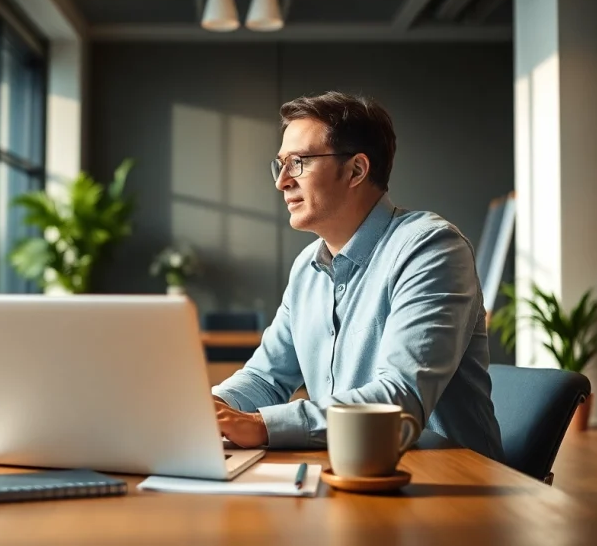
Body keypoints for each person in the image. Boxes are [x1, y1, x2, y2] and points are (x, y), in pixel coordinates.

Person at [211, 91, 504, 461]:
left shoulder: (432, 248)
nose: (282, 181)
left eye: (298, 162)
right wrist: (207, 408)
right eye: (280, 164)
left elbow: (399, 400)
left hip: (445, 486)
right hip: (346, 472)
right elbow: (265, 378)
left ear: (356, 170)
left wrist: (261, 426)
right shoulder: (307, 268)